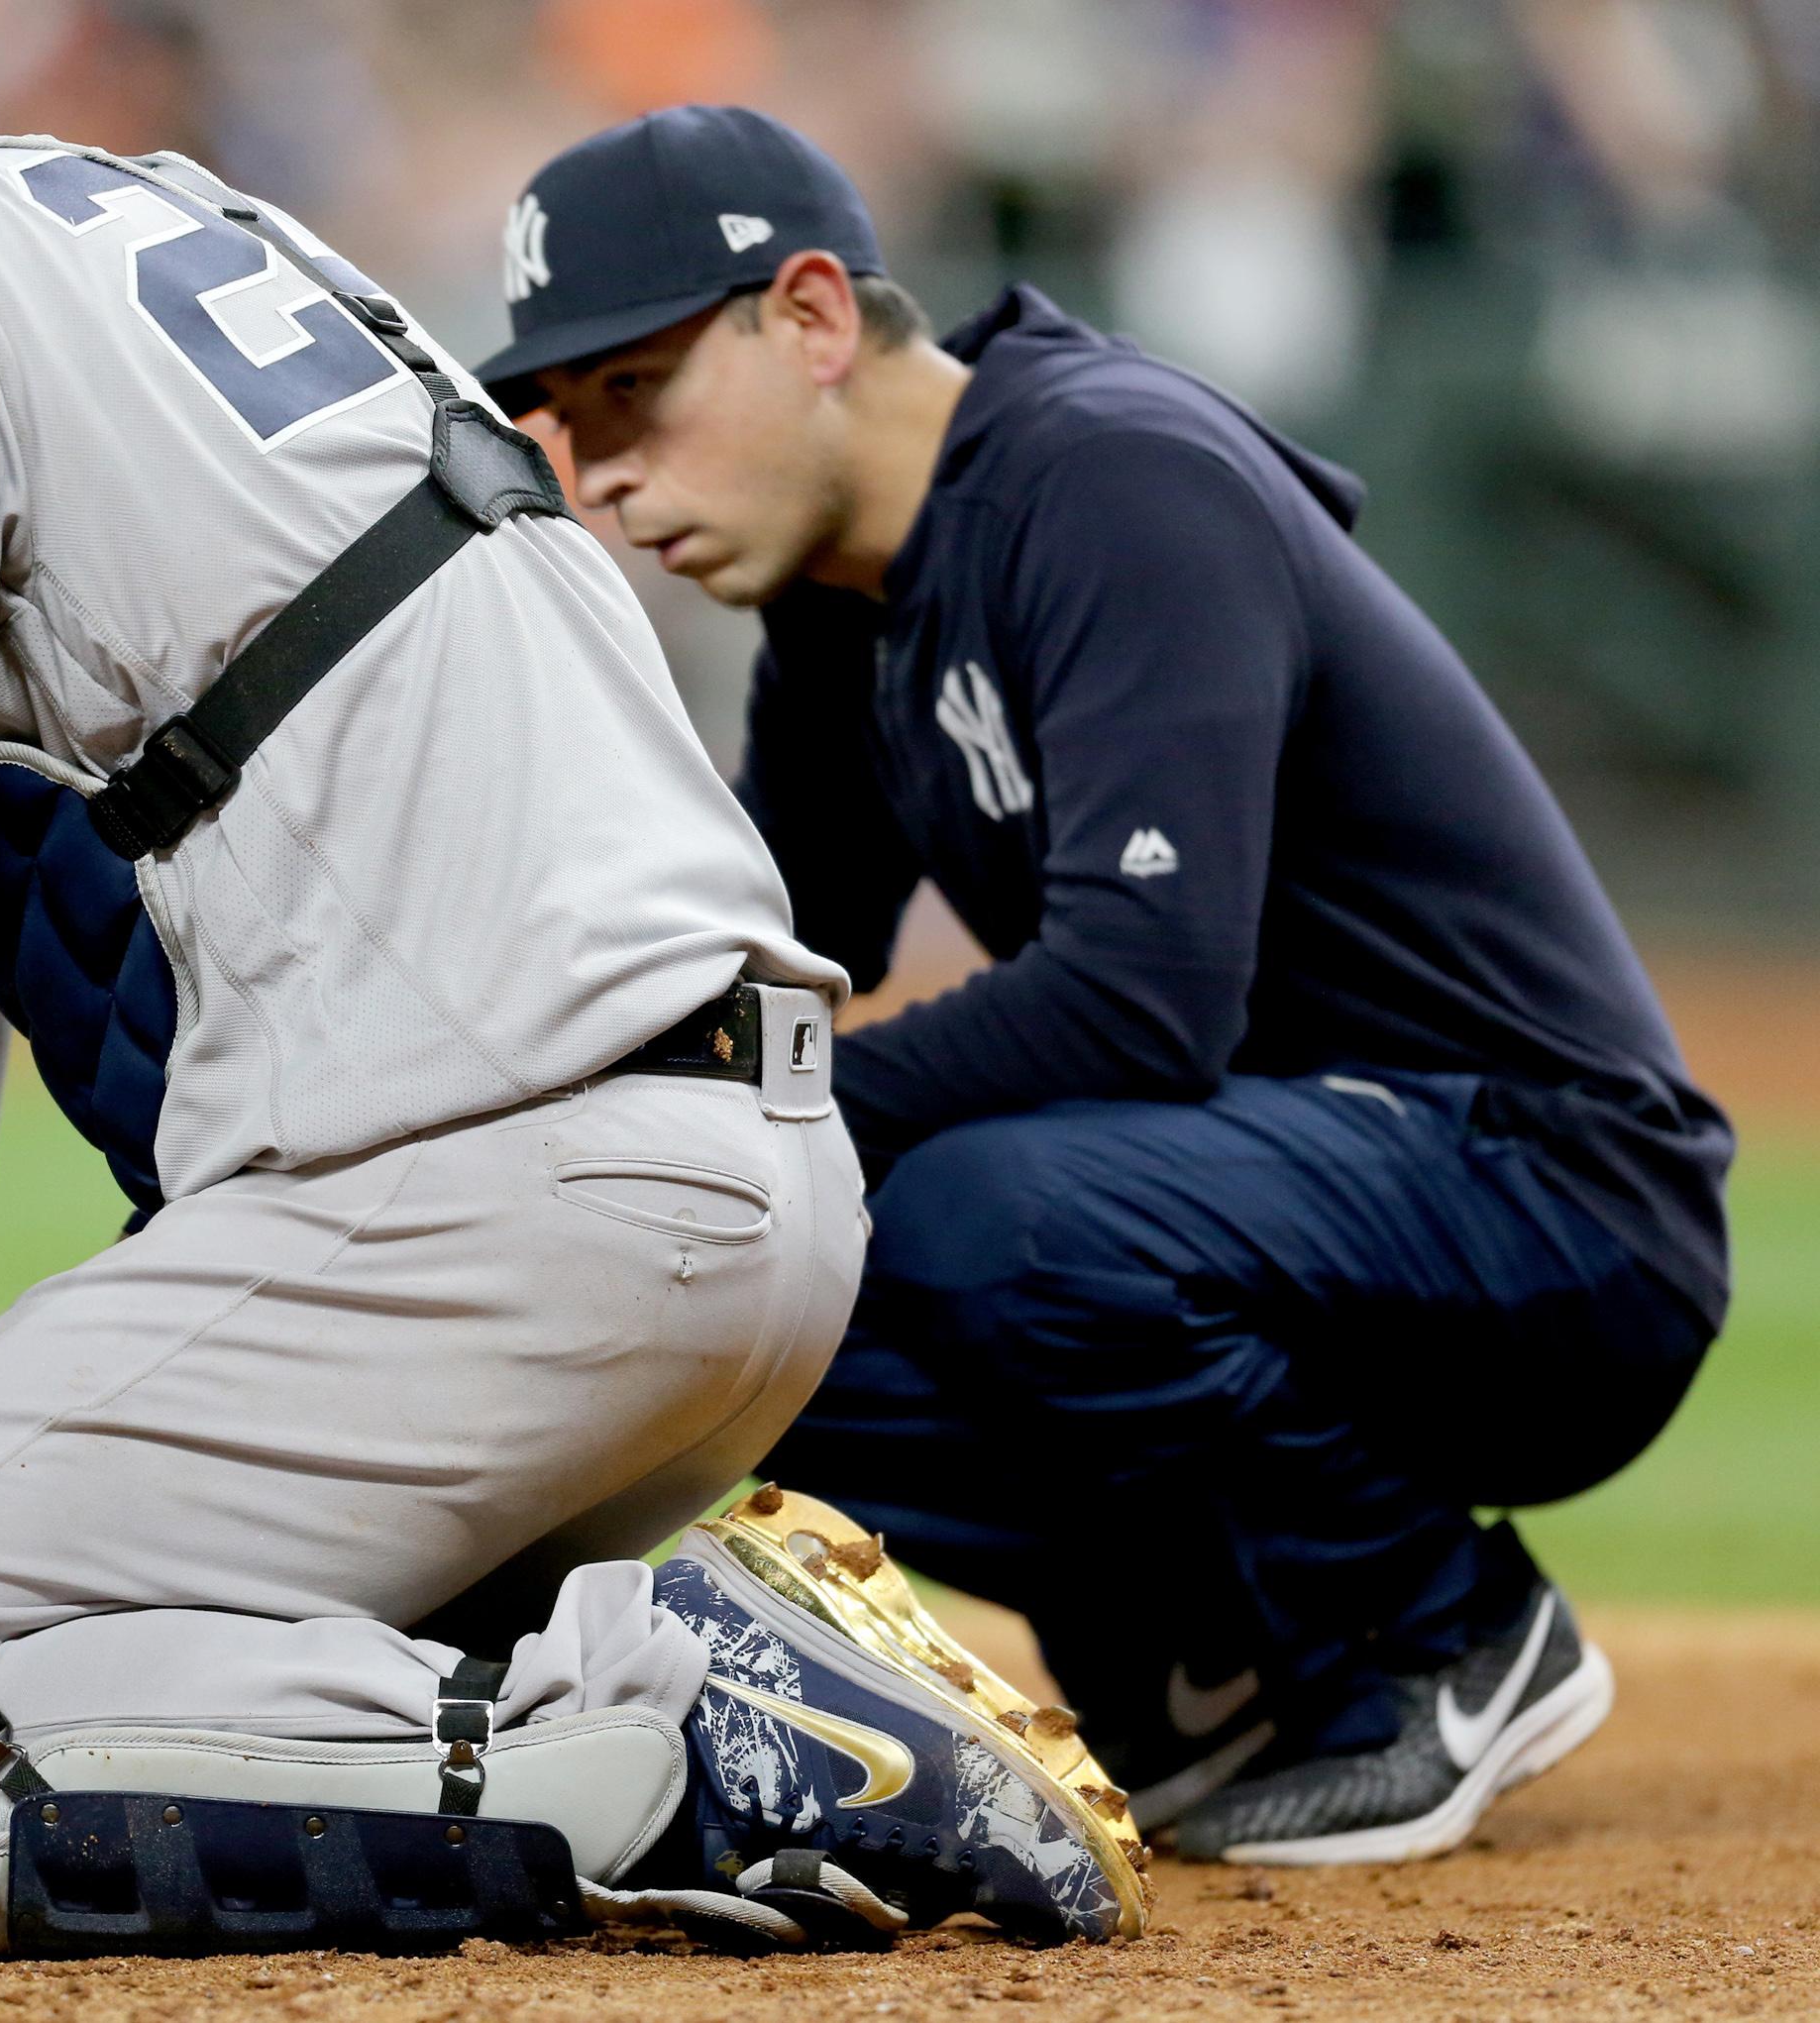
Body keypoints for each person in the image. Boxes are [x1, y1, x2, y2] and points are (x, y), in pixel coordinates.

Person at [0, 116, 1157, 1956]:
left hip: (511, 1192)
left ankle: (661, 1716)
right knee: (95, 1663)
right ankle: (550, 1666)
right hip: (736, 1195)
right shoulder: (93, 213)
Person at [476, 104, 1733, 1865]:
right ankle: (1207, 1650)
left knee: (990, 1204)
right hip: (1289, 1200)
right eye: (561, 420)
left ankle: (1440, 1621)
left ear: (816, 318)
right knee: (704, 1308)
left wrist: (772, 1113)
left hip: (1553, 1200)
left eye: (636, 393)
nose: (597, 474)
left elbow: (1145, 1001)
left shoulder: (1110, 470)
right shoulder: (844, 604)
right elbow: (746, 980)